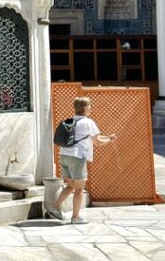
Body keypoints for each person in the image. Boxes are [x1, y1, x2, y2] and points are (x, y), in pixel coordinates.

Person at [47, 96, 117, 224]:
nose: (90, 108)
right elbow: (97, 142)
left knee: (70, 185)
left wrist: (107, 137)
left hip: (64, 156)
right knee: (79, 189)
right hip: (77, 158)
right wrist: (110, 140)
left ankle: (55, 208)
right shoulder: (88, 122)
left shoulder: (71, 120)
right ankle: (76, 217)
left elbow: (89, 137)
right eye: (89, 106)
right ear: (85, 108)